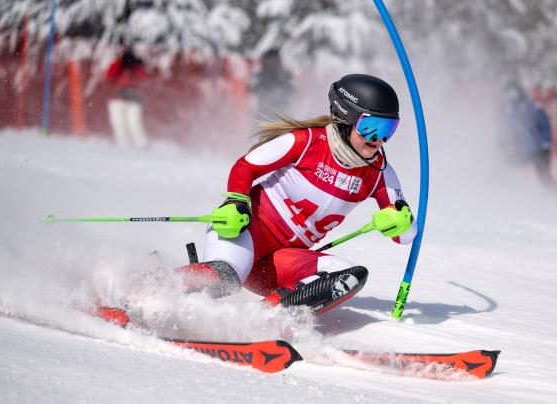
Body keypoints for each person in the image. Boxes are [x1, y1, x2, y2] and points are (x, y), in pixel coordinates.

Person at [97, 74, 418, 327]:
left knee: (349, 276)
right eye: (372, 127)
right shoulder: (306, 142)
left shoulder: (379, 173)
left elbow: (405, 236)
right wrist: (236, 201)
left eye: (390, 128)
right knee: (224, 277)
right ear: (346, 120)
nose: (380, 140)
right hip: (246, 233)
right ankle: (126, 297)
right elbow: (247, 165)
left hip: (282, 262)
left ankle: (261, 320)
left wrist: (401, 221)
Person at [501, 83, 553, 182]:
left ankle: (553, 196)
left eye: (513, 93)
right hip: (520, 151)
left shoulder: (532, 107)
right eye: (509, 94)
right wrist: (505, 147)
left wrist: (546, 146)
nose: (511, 96)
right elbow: (503, 131)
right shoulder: (508, 111)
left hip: (537, 149)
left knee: (543, 177)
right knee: (515, 176)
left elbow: (545, 127)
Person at [106, 47, 149, 149]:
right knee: (124, 123)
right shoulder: (122, 65)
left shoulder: (134, 66)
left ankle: (139, 144)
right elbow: (110, 75)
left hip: (127, 98)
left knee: (131, 123)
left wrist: (134, 64)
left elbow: (144, 77)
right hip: (123, 98)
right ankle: (127, 145)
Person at [248, 48, 294, 117]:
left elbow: (252, 88)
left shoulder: (263, 74)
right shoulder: (285, 74)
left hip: (271, 110)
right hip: (277, 110)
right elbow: (291, 89)